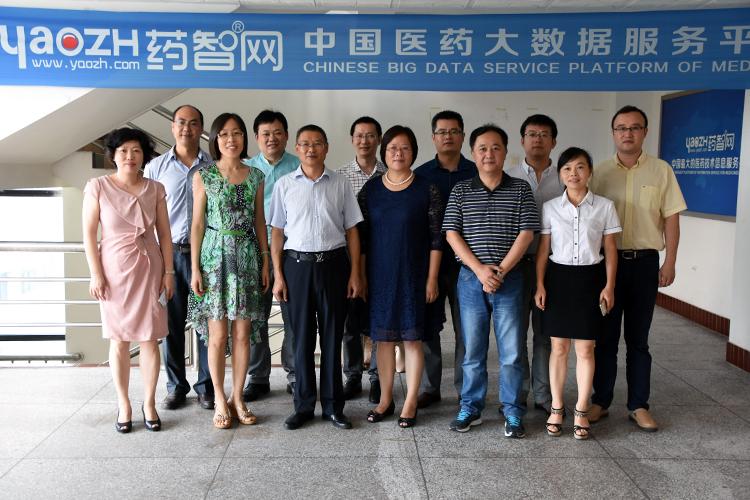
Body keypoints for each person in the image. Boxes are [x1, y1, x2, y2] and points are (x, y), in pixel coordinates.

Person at [589, 105, 687, 432]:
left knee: (638, 339)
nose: (627, 133)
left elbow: (671, 219)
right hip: (608, 266)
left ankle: (638, 405)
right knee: (605, 337)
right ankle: (601, 401)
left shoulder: (661, 171)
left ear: (645, 132)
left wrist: (670, 261)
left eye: (634, 127)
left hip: (645, 263)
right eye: (621, 128)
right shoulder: (599, 173)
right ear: (613, 133)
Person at [443, 124, 538, 438]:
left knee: (512, 352)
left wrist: (500, 271)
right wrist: (481, 270)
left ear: (506, 152)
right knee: (472, 350)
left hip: (510, 280)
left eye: (496, 147)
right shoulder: (461, 190)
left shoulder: (520, 189)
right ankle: (470, 407)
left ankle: (512, 410)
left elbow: (527, 234)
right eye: (482, 148)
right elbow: (452, 234)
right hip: (471, 280)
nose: (489, 154)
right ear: (473, 153)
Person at [269, 124, 363, 431]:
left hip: (334, 266)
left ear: (326, 147)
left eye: (317, 143)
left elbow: (352, 230)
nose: (311, 149)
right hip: (296, 267)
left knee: (333, 337)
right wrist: (279, 275)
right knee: (302, 339)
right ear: (297, 148)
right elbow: (277, 233)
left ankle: (334, 407)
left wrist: (355, 273)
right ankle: (304, 406)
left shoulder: (340, 184)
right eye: (305, 144)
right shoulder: (284, 185)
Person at [82, 128, 174, 433]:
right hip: (113, 271)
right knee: (119, 339)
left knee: (150, 338)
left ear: (144, 155)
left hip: (149, 269)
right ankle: (124, 404)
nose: (130, 156)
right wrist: (95, 273)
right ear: (113, 155)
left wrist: (169, 273)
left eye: (136, 150)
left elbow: (165, 235)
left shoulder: (155, 188)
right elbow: (89, 234)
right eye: (123, 151)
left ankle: (149, 403)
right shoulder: (97, 186)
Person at [188, 113, 270, 429]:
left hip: (246, 258)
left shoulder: (256, 176)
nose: (231, 139)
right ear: (215, 139)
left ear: (244, 138)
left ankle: (238, 398)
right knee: (218, 335)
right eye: (223, 134)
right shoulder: (204, 176)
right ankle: (220, 400)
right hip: (214, 259)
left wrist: (265, 260)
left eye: (236, 133)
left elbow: (260, 222)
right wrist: (195, 268)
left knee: (242, 334)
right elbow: (197, 224)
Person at [359, 125, 443, 428]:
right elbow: (361, 239)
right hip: (379, 275)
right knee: (382, 340)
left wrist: (432, 279)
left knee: (412, 339)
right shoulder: (371, 191)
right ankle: (385, 399)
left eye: (405, 148)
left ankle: (410, 402)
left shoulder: (427, 188)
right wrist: (360, 276)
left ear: (414, 152)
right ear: (384, 152)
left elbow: (437, 239)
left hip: (414, 275)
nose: (398, 153)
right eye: (392, 148)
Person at [534, 147, 621, 440]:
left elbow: (610, 250)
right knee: (558, 348)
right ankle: (557, 407)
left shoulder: (605, 206)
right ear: (560, 174)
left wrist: (609, 286)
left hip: (591, 280)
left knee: (585, 349)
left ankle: (582, 409)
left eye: (580, 167)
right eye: (567, 168)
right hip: (558, 280)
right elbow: (543, 250)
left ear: (590, 172)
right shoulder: (550, 207)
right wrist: (540, 284)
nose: (574, 174)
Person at [144, 104, 214, 411]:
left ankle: (206, 387)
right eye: (181, 122)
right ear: (173, 127)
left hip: (206, 256)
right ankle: (175, 387)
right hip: (168, 256)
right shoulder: (156, 168)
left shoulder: (213, 166)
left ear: (201, 129)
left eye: (193, 123)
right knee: (169, 325)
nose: (187, 128)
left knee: (207, 325)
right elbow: (146, 215)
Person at [414, 110, 477, 409]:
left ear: (463, 136)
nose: (448, 136)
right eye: (442, 132)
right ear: (433, 137)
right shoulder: (421, 175)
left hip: (469, 264)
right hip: (430, 263)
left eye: (454, 131)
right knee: (429, 326)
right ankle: (430, 387)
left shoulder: (476, 171)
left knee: (467, 329)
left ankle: (466, 389)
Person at [505, 114, 564, 415]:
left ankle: (543, 395)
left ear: (554, 141)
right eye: (531, 134)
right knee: (515, 335)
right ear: (522, 140)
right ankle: (518, 394)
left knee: (545, 334)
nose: (537, 139)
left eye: (544, 134)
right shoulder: (509, 176)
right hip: (515, 266)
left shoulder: (565, 177)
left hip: (552, 266)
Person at [242, 110, 299, 401]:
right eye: (265, 134)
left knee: (292, 314)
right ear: (256, 138)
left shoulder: (298, 166)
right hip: (253, 250)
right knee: (255, 316)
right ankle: (258, 377)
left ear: (286, 136)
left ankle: (294, 373)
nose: (271, 138)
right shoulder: (246, 169)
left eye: (277, 133)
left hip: (291, 250)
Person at [337, 116, 387, 403]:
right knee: (350, 322)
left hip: (383, 258)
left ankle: (378, 377)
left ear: (378, 139)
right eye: (359, 135)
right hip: (348, 258)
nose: (364, 141)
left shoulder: (390, 173)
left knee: (379, 319)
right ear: (352, 139)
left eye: (370, 135)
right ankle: (353, 376)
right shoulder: (340, 177)